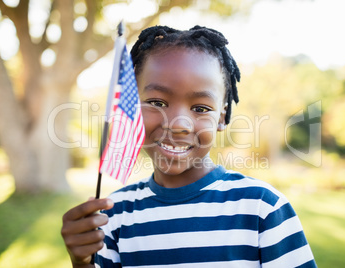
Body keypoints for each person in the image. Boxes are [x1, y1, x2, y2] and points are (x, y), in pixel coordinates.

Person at [61, 25, 317, 268]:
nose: (178, 125)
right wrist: (81, 262)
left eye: (200, 108)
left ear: (222, 117)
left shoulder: (262, 208)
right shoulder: (113, 215)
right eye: (157, 102)